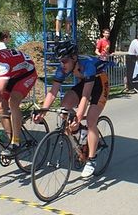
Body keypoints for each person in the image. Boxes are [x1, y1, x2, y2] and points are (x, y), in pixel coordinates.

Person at [37, 40, 111, 178]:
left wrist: (78, 117)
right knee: (64, 106)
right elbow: (53, 92)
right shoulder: (64, 68)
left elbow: (85, 95)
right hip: (85, 82)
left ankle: (92, 159)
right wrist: (43, 111)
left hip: (100, 84)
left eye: (64, 61)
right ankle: (81, 132)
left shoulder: (87, 66)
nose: (61, 64)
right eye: (59, 61)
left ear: (74, 58)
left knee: (90, 120)